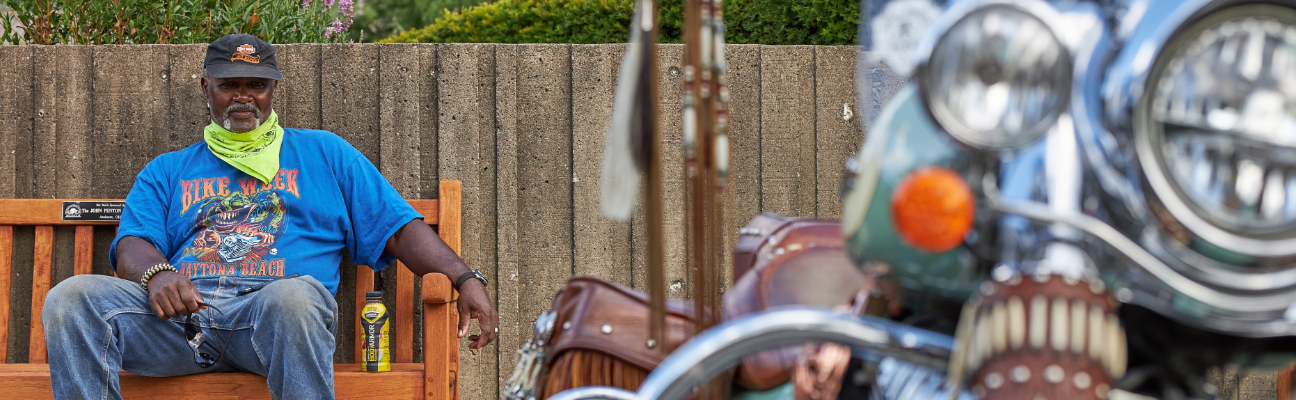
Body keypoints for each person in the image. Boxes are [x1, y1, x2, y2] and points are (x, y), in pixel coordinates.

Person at [41, 33, 499, 399]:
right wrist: (158, 274)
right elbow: (133, 245)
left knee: (296, 297)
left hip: (273, 323)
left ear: (273, 89)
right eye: (229, 85)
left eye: (255, 85)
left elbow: (397, 230)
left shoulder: (325, 154)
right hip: (183, 325)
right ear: (207, 88)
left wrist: (464, 277)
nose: (243, 98)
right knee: (70, 298)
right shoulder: (168, 169)